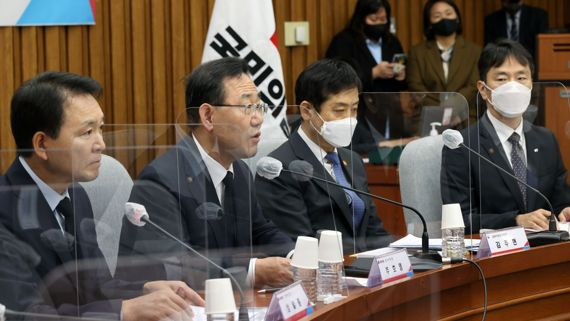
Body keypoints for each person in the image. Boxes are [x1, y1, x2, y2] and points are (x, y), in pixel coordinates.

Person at [0, 71, 204, 319]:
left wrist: (142, 290)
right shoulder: (6, 212)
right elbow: (26, 315)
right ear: (42, 144)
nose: (101, 144)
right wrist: (123, 310)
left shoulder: (76, 195)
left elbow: (96, 287)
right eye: (87, 132)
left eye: (101, 128)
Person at [118, 57, 294, 289]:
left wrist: (294, 256)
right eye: (246, 107)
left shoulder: (239, 169)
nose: (259, 119)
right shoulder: (161, 181)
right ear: (208, 117)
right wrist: (252, 272)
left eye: (259, 106)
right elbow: (177, 265)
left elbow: (260, 230)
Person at [256, 59, 394, 254]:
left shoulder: (352, 159)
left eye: (354, 109)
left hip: (365, 273)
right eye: (339, 110)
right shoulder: (280, 169)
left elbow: (374, 231)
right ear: (307, 111)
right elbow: (300, 246)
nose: (349, 119)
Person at [441, 39, 570, 233]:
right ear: (483, 89)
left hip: (544, 247)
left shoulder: (546, 139)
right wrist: (516, 220)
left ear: (531, 85)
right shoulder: (463, 146)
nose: (513, 87)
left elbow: (559, 203)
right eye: (501, 79)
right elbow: (460, 219)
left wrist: (565, 211)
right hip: (492, 255)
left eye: (521, 78)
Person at [326, 0, 410, 154]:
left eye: (383, 20)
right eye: (374, 19)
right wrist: (374, 73)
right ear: (361, 18)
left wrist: (402, 76)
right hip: (359, 110)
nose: (379, 23)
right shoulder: (344, 41)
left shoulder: (391, 41)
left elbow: (404, 82)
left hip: (389, 110)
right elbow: (335, 79)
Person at [407, 0, 481, 117]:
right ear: (429, 23)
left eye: (448, 13)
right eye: (437, 16)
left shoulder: (475, 51)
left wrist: (454, 106)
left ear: (457, 18)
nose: (444, 19)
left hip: (465, 116)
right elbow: (415, 85)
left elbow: (474, 85)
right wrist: (440, 109)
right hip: (429, 115)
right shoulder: (417, 52)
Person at [484, 0, 548, 62]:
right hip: (502, 65)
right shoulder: (491, 20)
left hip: (530, 66)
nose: (513, 1)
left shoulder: (538, 17)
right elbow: (490, 52)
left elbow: (543, 50)